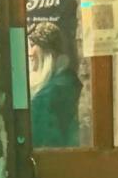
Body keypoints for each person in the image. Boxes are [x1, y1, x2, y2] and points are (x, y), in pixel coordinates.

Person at [27, 20, 82, 149]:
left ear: (47, 52)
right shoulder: (69, 82)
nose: (30, 53)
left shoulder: (47, 97)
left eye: (33, 45)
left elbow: (45, 144)